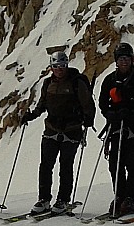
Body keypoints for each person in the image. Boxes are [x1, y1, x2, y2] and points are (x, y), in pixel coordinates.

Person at [21, 51, 95, 214]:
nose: (59, 69)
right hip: (52, 129)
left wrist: (88, 120)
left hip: (72, 130)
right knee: (46, 165)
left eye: (62, 66)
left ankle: (63, 200)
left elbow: (88, 104)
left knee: (65, 166)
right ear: (51, 67)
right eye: (56, 66)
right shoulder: (48, 84)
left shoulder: (77, 83)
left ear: (66, 65)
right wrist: (31, 115)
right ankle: (44, 199)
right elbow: (42, 105)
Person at [97, 42, 134, 216]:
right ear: (116, 60)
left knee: (131, 162)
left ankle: (131, 197)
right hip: (116, 126)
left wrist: (132, 113)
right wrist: (110, 114)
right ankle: (120, 196)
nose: (124, 62)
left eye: (127, 58)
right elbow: (102, 102)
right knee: (115, 163)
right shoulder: (110, 80)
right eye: (121, 58)